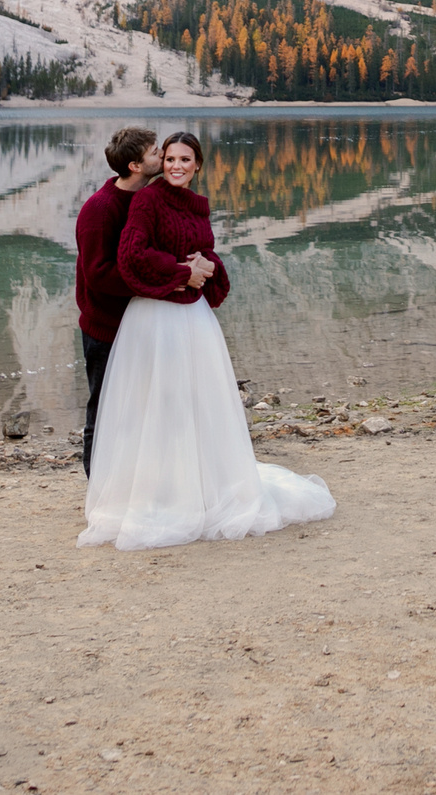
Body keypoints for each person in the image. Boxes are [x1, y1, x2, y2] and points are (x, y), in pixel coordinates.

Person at [78, 132, 334, 549]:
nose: (172, 163)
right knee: (122, 409)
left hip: (186, 317)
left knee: (191, 402)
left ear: (198, 164)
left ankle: (192, 487)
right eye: (165, 156)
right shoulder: (118, 205)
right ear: (140, 165)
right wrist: (182, 271)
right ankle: (114, 493)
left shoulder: (193, 203)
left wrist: (207, 265)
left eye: (183, 158)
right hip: (127, 320)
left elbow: (204, 250)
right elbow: (122, 263)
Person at [73, 127, 158, 472]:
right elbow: (98, 273)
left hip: (138, 324)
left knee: (138, 407)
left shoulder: (145, 199)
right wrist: (155, 283)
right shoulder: (100, 209)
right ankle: (96, 485)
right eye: (155, 152)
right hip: (104, 330)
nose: (162, 156)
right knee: (103, 408)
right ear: (136, 165)